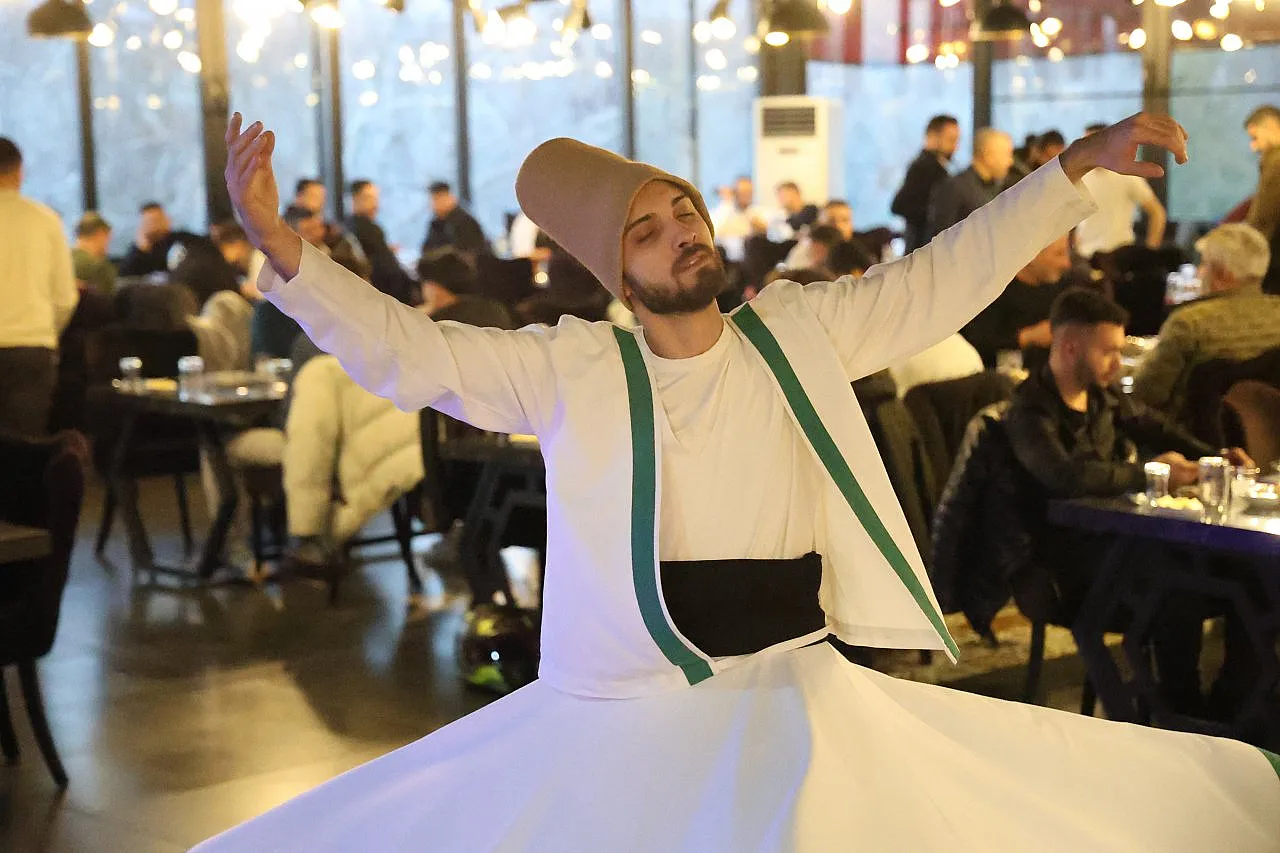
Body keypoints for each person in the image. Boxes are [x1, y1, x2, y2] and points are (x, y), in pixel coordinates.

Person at [198, 111, 1278, 853]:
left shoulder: (797, 329)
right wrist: (287, 252)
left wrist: (1071, 170)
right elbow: (413, 352)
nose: (682, 236)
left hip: (792, 684)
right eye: (649, 232)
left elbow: (944, 274)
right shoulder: (570, 365)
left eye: (686, 216)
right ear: (617, 274)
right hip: (629, 702)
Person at [1004, 288, 1257, 715]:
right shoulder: (1030, 411)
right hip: (1063, 564)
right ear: (1070, 347)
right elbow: (1067, 477)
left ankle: (1239, 703)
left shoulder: (1101, 396)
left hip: (1118, 543)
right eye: (1108, 352)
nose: (1117, 363)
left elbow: (1152, 425)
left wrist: (1212, 458)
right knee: (1180, 587)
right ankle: (1181, 710)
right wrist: (1153, 472)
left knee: (1244, 573)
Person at [1133, 223, 1280, 419]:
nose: (1199, 272)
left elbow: (1146, 393)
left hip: (1189, 432)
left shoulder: (1189, 323)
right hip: (1269, 430)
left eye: (1203, 264)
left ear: (1222, 274)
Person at [0, 137, 78, 437]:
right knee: (23, 447)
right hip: (31, 349)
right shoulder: (46, 220)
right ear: (19, 172)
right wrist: (45, 330)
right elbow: (65, 298)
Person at [961, 234, 1072, 369]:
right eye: (1059, 254)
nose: (1067, 263)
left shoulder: (1066, 289)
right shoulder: (993, 291)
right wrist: (1027, 337)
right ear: (1030, 256)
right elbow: (975, 343)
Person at [1073, 123, 1168, 257]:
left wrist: (1149, 253)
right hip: (1086, 255)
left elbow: (1157, 213)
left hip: (1119, 254)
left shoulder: (1126, 173)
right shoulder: (1078, 176)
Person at [926, 127, 1014, 240]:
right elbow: (941, 237)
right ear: (987, 155)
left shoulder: (998, 187)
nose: (1010, 162)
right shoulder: (954, 187)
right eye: (1007, 154)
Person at [892, 114, 961, 252]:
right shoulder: (924, 168)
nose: (955, 147)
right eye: (951, 140)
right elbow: (899, 205)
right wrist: (936, 213)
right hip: (922, 248)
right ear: (933, 137)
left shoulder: (932, 167)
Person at [345, 179, 415, 305]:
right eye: (369, 198)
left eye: (376, 199)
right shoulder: (366, 228)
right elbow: (387, 270)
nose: (375, 204)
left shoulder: (351, 226)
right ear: (355, 199)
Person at [1244, 105, 1280, 294]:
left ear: (1272, 128)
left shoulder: (1276, 162)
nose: (1253, 146)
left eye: (1255, 138)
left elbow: (1264, 217)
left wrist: (1247, 254)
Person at [421, 181, 491, 258]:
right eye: (433, 199)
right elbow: (426, 250)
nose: (434, 204)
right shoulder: (435, 223)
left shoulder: (464, 221)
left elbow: (471, 251)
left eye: (438, 198)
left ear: (450, 198)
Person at [710, 175, 767, 262]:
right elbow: (716, 233)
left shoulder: (757, 212)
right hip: (727, 258)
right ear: (735, 192)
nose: (746, 196)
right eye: (743, 192)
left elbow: (767, 233)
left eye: (749, 192)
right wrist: (728, 201)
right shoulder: (723, 211)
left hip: (750, 258)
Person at [118, 201, 184, 276]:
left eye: (159, 219)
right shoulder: (139, 249)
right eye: (151, 221)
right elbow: (124, 275)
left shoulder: (182, 239)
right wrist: (142, 248)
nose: (156, 225)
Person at [71, 211, 116, 297]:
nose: (108, 245)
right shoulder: (100, 267)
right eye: (108, 239)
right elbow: (110, 298)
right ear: (101, 234)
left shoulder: (62, 261)